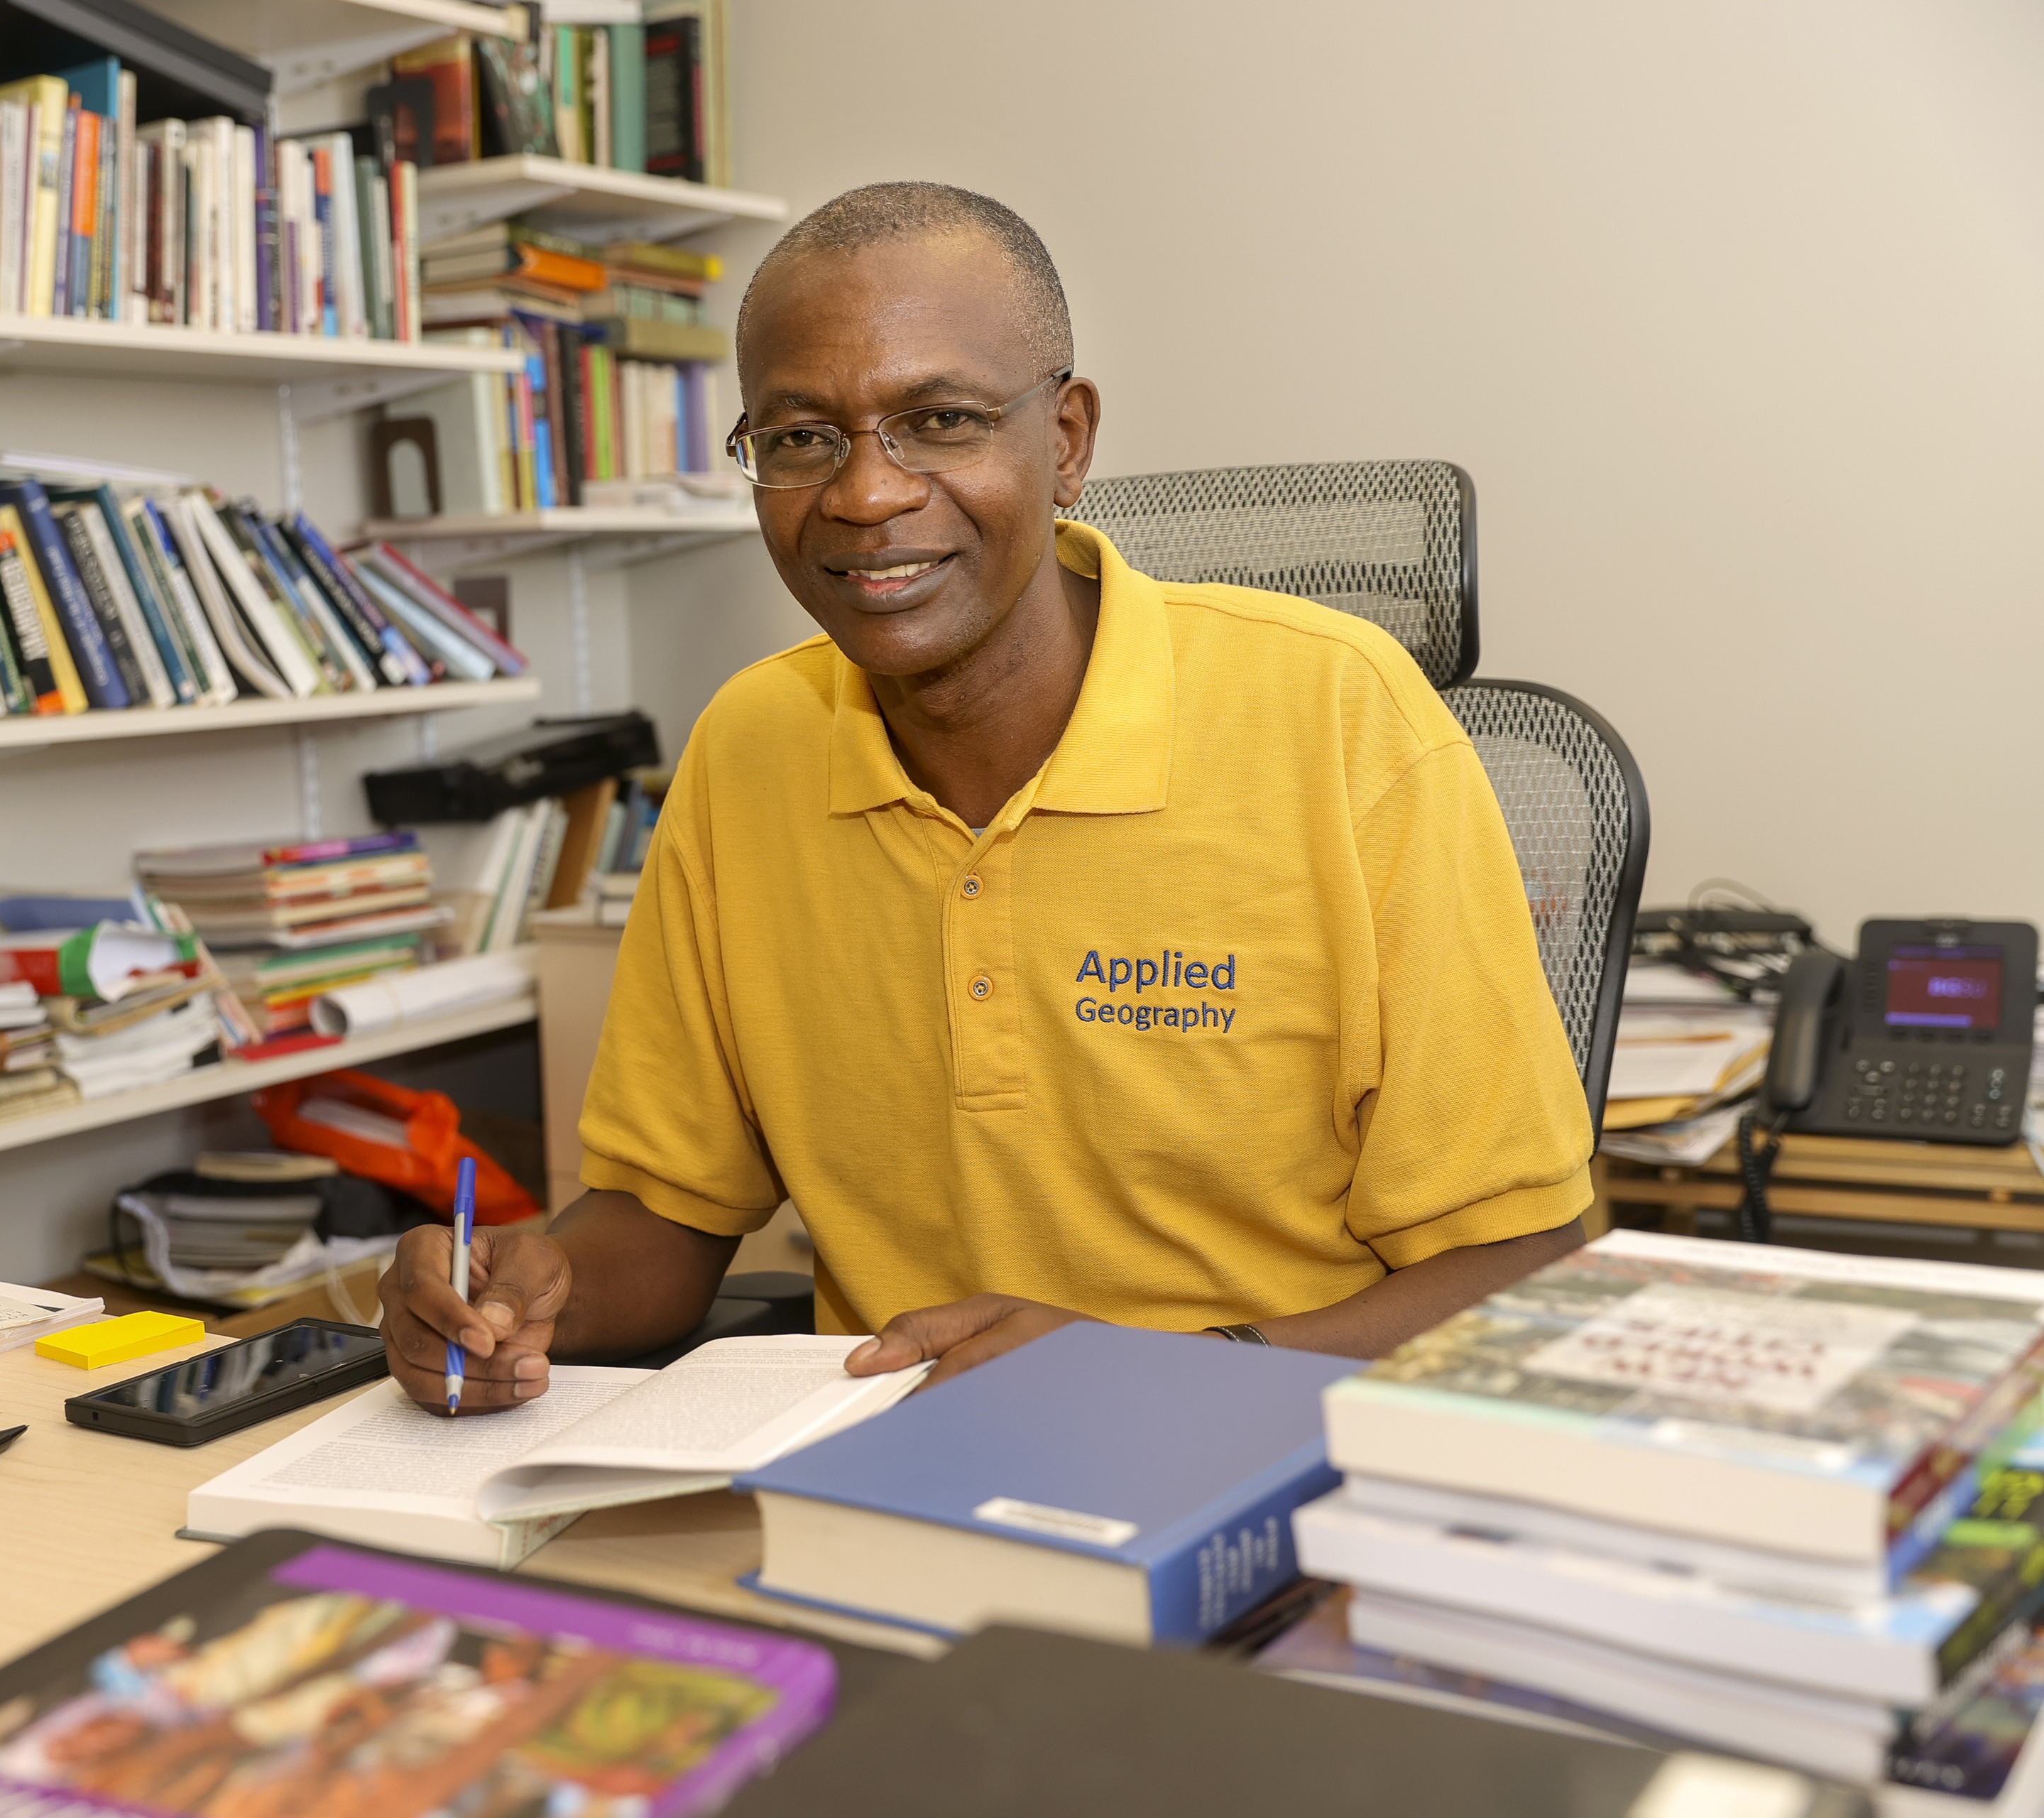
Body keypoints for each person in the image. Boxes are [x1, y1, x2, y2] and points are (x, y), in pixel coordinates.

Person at [380, 181, 1593, 1410]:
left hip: (1266, 1456)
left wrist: (1153, 1378)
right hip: (888, 1475)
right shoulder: (748, 748)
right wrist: (524, 1297)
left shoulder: (1343, 717)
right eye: (801, 438)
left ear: (1064, 441)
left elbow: (1528, 1263)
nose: (865, 495)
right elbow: (666, 1215)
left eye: (942, 420)